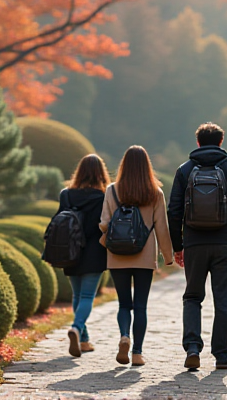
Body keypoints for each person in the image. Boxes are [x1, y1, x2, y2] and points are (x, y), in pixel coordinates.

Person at [168, 122, 227, 370]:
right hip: (225, 244)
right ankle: (223, 355)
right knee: (224, 300)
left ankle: (193, 348)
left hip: (194, 244)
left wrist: (178, 245)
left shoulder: (184, 170)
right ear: (220, 141)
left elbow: (174, 211)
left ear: (197, 143)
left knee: (193, 297)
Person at [99, 145, 174, 367]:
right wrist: (168, 256)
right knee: (140, 305)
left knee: (124, 304)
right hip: (144, 255)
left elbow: (103, 223)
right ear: (146, 167)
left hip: (117, 255)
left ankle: (124, 336)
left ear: (123, 166)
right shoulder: (155, 193)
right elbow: (162, 228)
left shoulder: (112, 190)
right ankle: (138, 353)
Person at [56, 154, 112, 359]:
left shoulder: (66, 195)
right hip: (94, 252)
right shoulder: (104, 196)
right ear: (101, 173)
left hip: (70, 251)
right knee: (88, 296)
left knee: (77, 296)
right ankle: (77, 328)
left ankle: (84, 340)